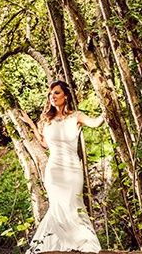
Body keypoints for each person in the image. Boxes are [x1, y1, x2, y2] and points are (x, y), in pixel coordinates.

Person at [23, 80, 104, 253]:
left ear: (65, 95)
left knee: (74, 205)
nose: (52, 97)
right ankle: (60, 248)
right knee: (58, 208)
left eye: (57, 93)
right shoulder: (47, 120)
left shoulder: (76, 116)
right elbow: (45, 144)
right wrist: (31, 124)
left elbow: (96, 123)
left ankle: (84, 246)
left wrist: (106, 106)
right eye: (51, 94)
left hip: (73, 169)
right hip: (54, 171)